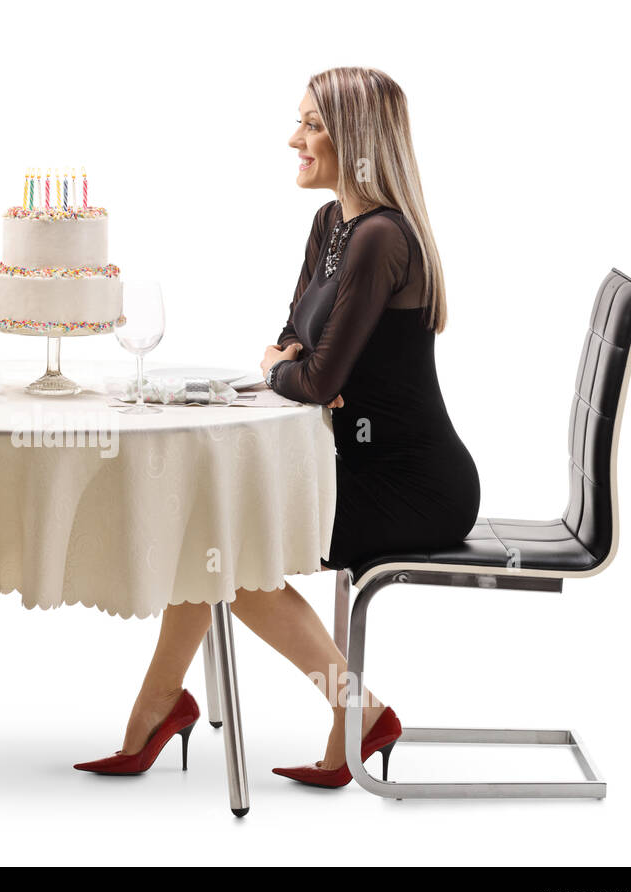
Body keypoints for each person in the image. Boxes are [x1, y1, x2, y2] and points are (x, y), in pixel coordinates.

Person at [73, 66, 480, 788]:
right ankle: (161, 709)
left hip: (413, 486)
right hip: (354, 466)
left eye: (313, 125)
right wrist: (287, 365)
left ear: (355, 139)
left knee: (229, 555)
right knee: (210, 536)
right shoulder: (331, 225)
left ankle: (355, 709)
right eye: (300, 120)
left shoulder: (380, 239)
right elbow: (294, 341)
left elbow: (312, 377)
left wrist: (284, 368)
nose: (294, 138)